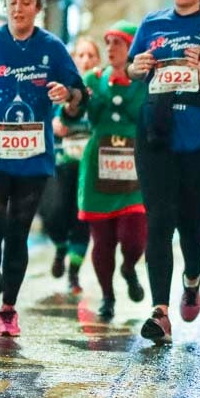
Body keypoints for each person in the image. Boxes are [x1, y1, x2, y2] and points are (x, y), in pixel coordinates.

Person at [0, 0, 86, 337]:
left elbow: (79, 92)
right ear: (5, 6)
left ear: (38, 8)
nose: (18, 8)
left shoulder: (53, 47)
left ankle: (9, 308)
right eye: (12, 2)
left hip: (33, 157)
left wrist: (67, 95)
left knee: (17, 234)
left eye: (26, 2)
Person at [128, 0, 200, 343]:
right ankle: (160, 312)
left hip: (199, 133)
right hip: (156, 131)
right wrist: (137, 67)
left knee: (190, 224)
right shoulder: (153, 24)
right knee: (158, 222)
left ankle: (192, 278)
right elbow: (132, 68)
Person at [75, 21, 147, 320]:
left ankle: (129, 268)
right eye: (108, 42)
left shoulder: (144, 82)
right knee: (102, 239)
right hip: (98, 166)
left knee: (134, 238)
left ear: (131, 48)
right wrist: (69, 105)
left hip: (134, 166)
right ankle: (107, 296)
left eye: (118, 42)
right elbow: (74, 112)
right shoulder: (92, 80)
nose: (111, 48)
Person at [46, 38, 99, 294]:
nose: (86, 60)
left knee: (82, 220)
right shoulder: (59, 86)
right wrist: (52, 126)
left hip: (90, 165)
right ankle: (59, 247)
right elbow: (39, 114)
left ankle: (73, 274)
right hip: (60, 162)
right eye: (81, 55)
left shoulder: (100, 87)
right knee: (55, 213)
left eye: (91, 55)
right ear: (73, 59)